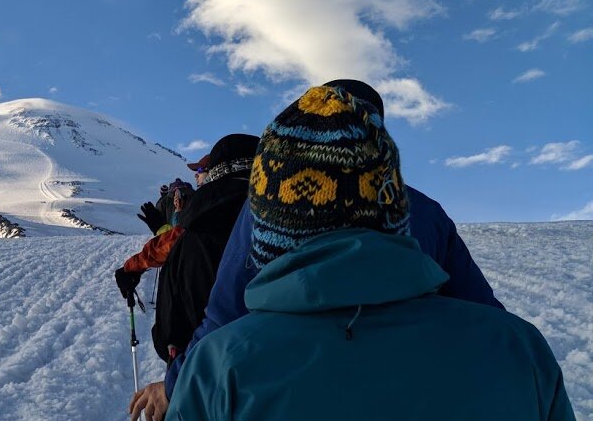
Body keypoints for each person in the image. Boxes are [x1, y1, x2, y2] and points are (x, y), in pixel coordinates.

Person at [144, 85, 593, 421]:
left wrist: (182, 383)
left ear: (268, 228)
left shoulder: (219, 372)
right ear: (394, 206)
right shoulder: (518, 353)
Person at [163, 79, 503, 397]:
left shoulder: (264, 207)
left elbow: (225, 314)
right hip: (413, 389)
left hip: (289, 394)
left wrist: (176, 383)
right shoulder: (425, 211)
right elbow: (485, 318)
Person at [114, 135, 259, 421]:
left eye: (203, 171)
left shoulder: (197, 227)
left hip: (196, 376)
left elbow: (168, 243)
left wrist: (175, 381)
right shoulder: (286, 226)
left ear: (219, 171)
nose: (198, 176)